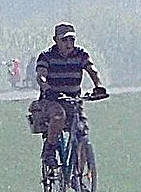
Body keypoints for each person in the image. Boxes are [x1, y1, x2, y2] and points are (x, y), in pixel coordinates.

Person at [34, 24, 107, 169]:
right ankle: (50, 151)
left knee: (82, 133)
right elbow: (41, 76)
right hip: (52, 100)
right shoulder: (46, 56)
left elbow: (91, 70)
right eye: (65, 40)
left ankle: (78, 176)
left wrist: (98, 86)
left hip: (73, 101)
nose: (69, 44)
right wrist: (47, 89)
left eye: (71, 40)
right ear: (56, 40)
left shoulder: (80, 54)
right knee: (58, 116)